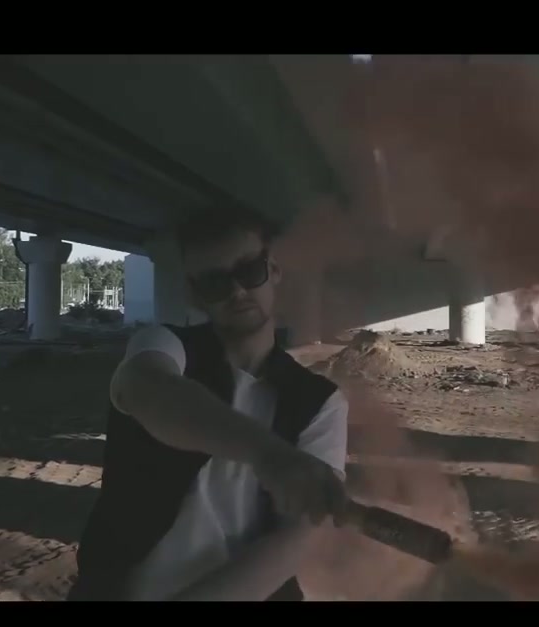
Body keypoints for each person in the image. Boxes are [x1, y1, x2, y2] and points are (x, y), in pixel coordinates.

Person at [67, 214, 350, 601]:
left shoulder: (321, 401)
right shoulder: (163, 347)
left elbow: (298, 539)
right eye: (216, 282)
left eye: (249, 271)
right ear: (194, 294)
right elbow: (149, 390)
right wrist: (270, 454)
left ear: (273, 270)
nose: (237, 290)